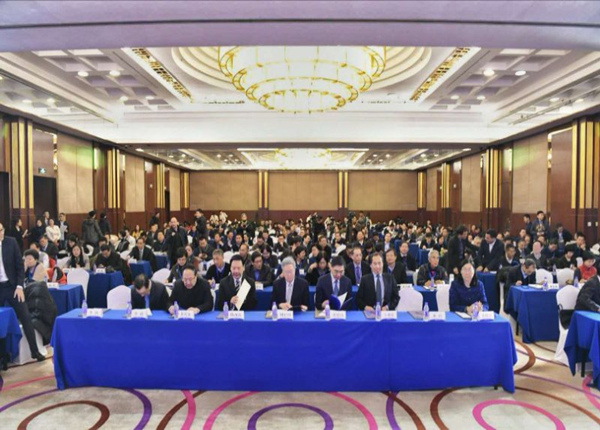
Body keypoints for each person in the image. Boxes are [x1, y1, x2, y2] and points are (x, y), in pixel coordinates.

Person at [0, 223, 45, 361]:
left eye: (1, 230)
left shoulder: (11, 242)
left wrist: (19, 287)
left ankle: (35, 351)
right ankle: (3, 356)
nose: (0, 233)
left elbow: (20, 267)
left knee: (25, 316)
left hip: (13, 287)